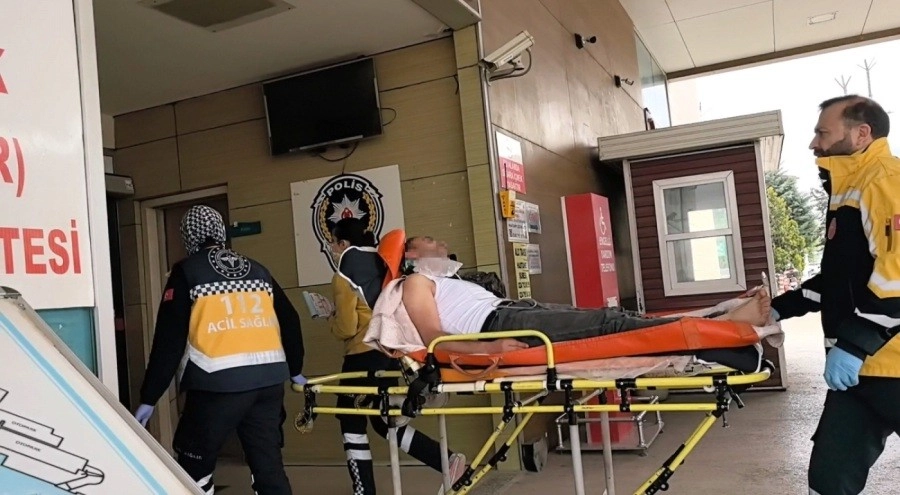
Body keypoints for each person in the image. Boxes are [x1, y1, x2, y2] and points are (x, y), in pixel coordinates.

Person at [769, 95, 900, 495]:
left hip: (890, 364)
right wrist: (777, 309)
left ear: (862, 134)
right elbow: (841, 279)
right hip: (860, 375)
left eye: (823, 133)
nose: (814, 143)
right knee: (829, 479)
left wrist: (855, 345)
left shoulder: (885, 181)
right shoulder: (847, 189)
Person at [134, 205, 305, 495]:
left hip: (217, 383)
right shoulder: (258, 269)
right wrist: (296, 370)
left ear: (188, 236)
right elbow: (290, 319)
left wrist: (150, 396)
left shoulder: (187, 272)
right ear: (220, 231)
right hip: (268, 382)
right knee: (268, 466)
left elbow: (168, 341)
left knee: (194, 468)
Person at [399, 236, 772, 357]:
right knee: (609, 324)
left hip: (514, 311)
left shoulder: (447, 280)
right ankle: (722, 324)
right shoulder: (415, 282)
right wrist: (489, 348)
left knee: (619, 318)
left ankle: (715, 316)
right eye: (430, 240)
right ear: (411, 254)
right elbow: (434, 339)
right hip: (500, 324)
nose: (441, 243)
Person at [327, 218, 465, 495]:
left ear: (343, 243)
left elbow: (347, 327)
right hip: (392, 353)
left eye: (333, 242)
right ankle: (448, 461)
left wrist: (329, 317)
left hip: (362, 356)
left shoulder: (344, 274)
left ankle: (364, 491)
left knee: (351, 420)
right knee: (384, 418)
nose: (332, 248)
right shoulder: (385, 263)